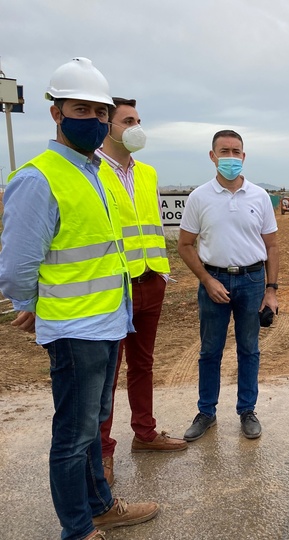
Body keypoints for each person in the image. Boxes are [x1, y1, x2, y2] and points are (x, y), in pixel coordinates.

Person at [0, 57, 158, 539]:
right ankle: (78, 528)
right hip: (75, 330)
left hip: (110, 322)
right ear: (56, 112)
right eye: (80, 109)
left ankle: (101, 505)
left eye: (99, 111)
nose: (93, 120)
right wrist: (32, 302)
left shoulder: (93, 172)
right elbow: (15, 269)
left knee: (94, 425)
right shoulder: (38, 178)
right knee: (73, 435)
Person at [97, 97, 187, 487]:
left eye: (138, 119)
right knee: (106, 375)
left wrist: (162, 274)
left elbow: (150, 227)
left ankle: (145, 433)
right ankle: (101, 451)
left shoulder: (147, 174)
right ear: (108, 127)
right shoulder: (93, 170)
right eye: (127, 120)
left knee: (143, 365)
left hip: (151, 281)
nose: (136, 126)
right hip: (113, 287)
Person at [178, 129, 279, 442]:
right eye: (225, 151)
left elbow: (273, 247)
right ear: (213, 156)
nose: (231, 158)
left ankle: (247, 410)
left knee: (249, 349)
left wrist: (271, 289)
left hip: (252, 281)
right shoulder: (199, 198)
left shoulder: (260, 197)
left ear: (244, 156)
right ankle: (206, 411)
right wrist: (207, 280)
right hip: (214, 281)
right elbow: (184, 244)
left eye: (236, 152)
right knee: (210, 351)